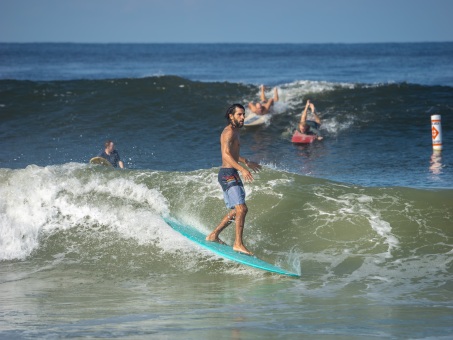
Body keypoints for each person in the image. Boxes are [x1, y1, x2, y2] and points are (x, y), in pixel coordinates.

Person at [206, 103, 262, 255]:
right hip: (227, 174)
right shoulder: (228, 132)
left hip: (232, 172)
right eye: (239, 115)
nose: (243, 117)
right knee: (241, 209)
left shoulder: (236, 131)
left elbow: (232, 153)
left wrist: (246, 162)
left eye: (243, 114)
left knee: (235, 211)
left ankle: (213, 235)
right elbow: (225, 155)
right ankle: (238, 243)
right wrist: (242, 169)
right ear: (231, 116)